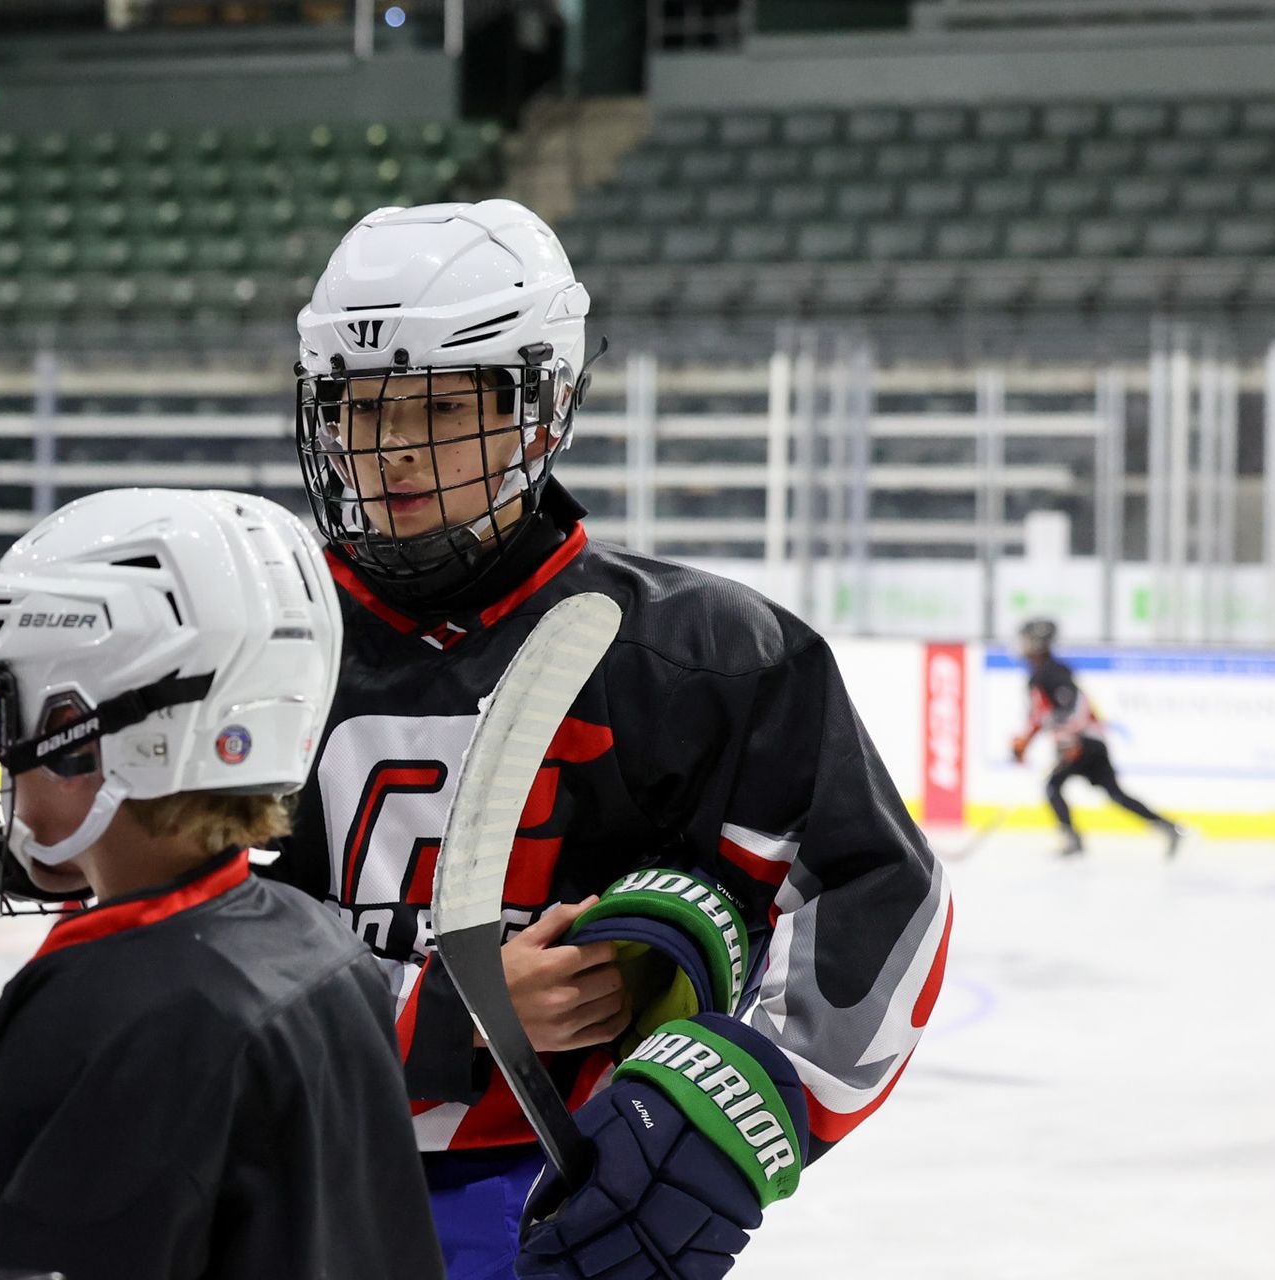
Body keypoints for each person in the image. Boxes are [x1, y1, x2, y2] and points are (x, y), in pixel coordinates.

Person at [274, 199, 953, 1279]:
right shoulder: (263, 635)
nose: (392, 450)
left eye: (440, 407)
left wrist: (751, 1107)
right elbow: (198, 923)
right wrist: (450, 1013)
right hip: (295, 1177)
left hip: (558, 1193)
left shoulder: (700, 654)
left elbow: (880, 890)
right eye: (360, 410)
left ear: (539, 411)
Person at [0, 488, 445, 1279]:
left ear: (85, 735)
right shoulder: (317, 940)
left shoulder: (116, 1013)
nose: (2, 747)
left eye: (10, 708)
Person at [1011, 617, 1181, 858]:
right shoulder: (1044, 675)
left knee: (1053, 787)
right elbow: (1041, 718)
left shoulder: (1051, 674)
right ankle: (1168, 826)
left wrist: (1072, 740)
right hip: (1089, 742)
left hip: (1085, 743)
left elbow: (1075, 707)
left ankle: (1073, 840)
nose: (1022, 645)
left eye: (1027, 640)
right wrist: (1025, 742)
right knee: (1115, 794)